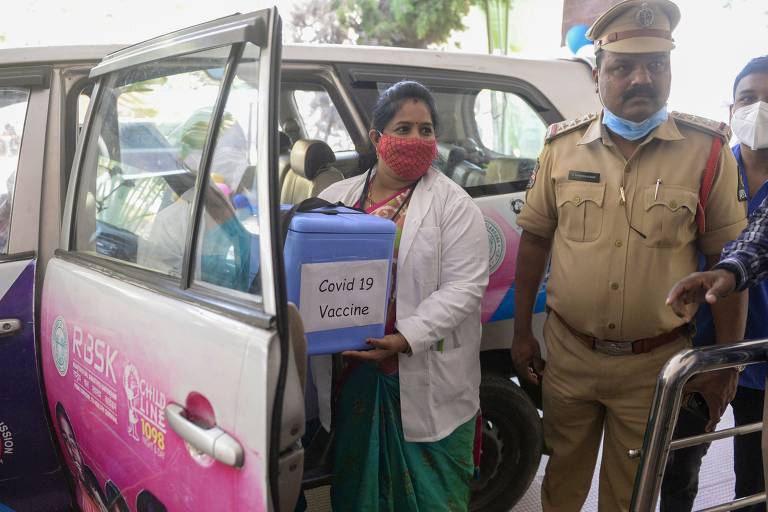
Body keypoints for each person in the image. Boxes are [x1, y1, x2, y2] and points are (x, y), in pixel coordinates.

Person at [510, 1, 749, 510]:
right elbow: (534, 239)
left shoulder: (706, 152)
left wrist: (725, 362)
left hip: (654, 364)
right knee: (562, 486)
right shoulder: (561, 147)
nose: (641, 78)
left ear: (670, 71)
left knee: (630, 494)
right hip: (569, 356)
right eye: (623, 67)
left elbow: (728, 262)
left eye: (656, 65)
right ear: (598, 76)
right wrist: (520, 332)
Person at [311, 80, 489, 511]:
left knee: (432, 497)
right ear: (376, 138)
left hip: (423, 371)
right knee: (360, 489)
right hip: (353, 373)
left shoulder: (455, 205)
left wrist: (407, 336)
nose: (416, 139)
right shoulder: (336, 199)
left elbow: (466, 287)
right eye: (404, 128)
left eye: (426, 130)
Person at [661, 56, 768, 512]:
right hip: (705, 350)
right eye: (748, 99)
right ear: (731, 109)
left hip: (761, 358)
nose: (759, 110)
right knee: (676, 468)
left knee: (756, 474)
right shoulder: (709, 172)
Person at [56, 402, 109, 512]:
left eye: (71, 439)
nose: (71, 449)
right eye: (65, 439)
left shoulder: (90, 480)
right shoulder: (75, 484)